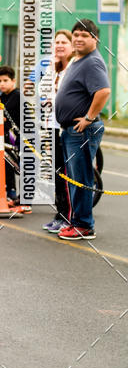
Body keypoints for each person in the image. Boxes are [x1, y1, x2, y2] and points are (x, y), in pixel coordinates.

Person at [55, 19, 110, 240]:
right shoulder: (79, 60)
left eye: (84, 35)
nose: (78, 38)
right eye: (75, 34)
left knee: (82, 179)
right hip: (71, 131)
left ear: (95, 39)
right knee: (75, 179)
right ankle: (77, 222)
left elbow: (103, 91)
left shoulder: (92, 63)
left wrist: (88, 118)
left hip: (82, 132)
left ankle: (84, 226)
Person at [42, 30, 74, 234]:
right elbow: (40, 91)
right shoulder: (52, 69)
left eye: (64, 42)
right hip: (50, 126)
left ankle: (68, 217)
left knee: (66, 175)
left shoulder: (73, 68)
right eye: (56, 42)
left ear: (71, 47)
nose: (59, 45)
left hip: (65, 128)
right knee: (55, 174)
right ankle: (59, 214)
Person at [0, 65, 31, 214]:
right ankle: (16, 196)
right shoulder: (3, 95)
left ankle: (26, 203)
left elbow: (4, 112)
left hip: (28, 136)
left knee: (27, 167)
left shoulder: (16, 96)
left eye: (5, 80)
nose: (2, 84)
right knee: (12, 163)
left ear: (13, 81)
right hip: (15, 136)